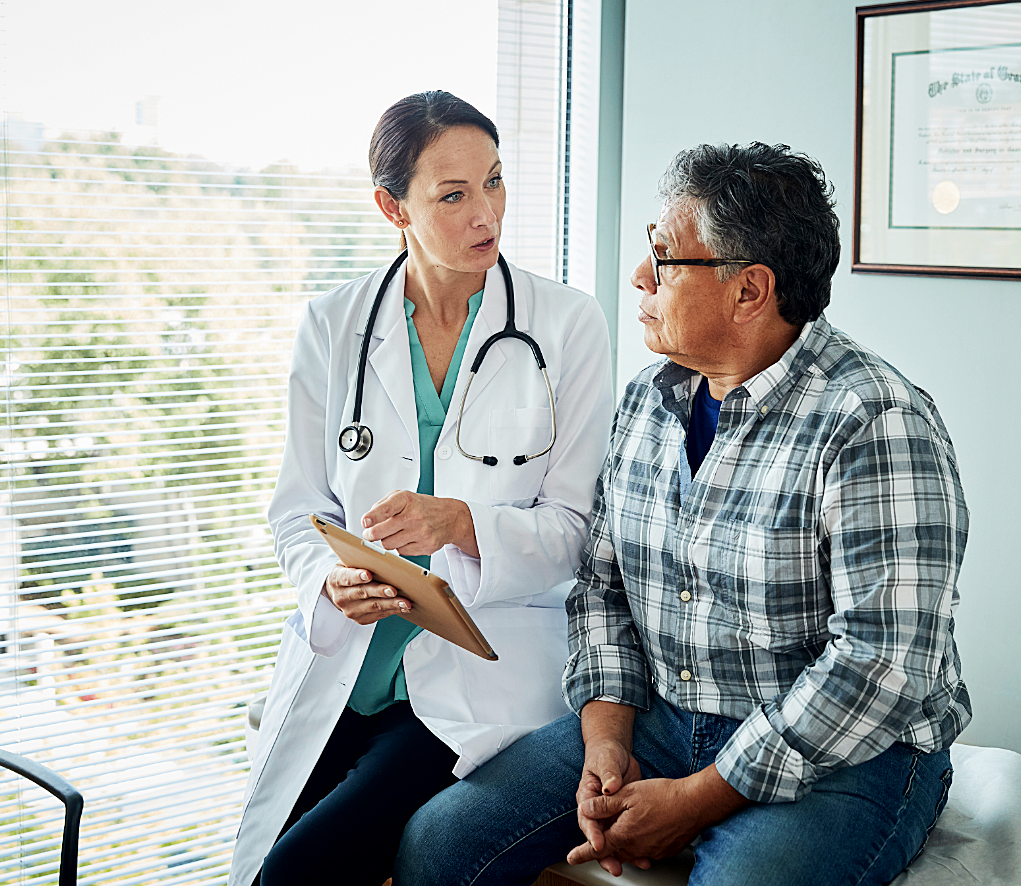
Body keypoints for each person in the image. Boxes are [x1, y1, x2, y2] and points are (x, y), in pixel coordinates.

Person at [395, 142, 971, 886]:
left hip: (851, 750)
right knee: (437, 843)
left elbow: (879, 666)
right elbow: (603, 587)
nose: (640, 277)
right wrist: (605, 739)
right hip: (668, 717)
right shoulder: (647, 401)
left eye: (664, 259)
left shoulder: (874, 422)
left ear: (748, 291)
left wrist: (699, 799)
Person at [228, 91, 613, 886]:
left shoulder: (568, 324)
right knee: (264, 860)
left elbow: (578, 528)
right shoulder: (333, 325)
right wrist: (328, 580)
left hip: (479, 673)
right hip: (349, 661)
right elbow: (299, 510)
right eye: (453, 195)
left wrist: (464, 524)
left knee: (296, 874)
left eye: (496, 182)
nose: (487, 214)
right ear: (389, 207)